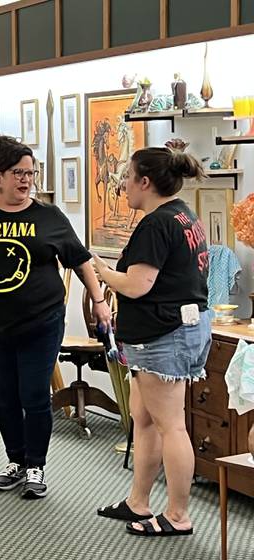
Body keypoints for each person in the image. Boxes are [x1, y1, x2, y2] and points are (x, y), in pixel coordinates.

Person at [0, 136, 111, 499]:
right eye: (18, 173)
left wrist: (99, 301)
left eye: (30, 173)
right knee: (5, 396)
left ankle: (36, 466)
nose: (26, 180)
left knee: (34, 395)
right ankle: (15, 461)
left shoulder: (47, 217)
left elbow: (80, 261)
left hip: (41, 321)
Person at [94, 147, 210, 537]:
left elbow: (137, 285)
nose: (122, 183)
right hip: (172, 331)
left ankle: (178, 515)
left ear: (145, 182)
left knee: (171, 426)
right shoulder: (183, 213)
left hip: (165, 337)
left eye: (127, 176)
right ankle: (138, 502)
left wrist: (102, 271)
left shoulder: (156, 224)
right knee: (142, 417)